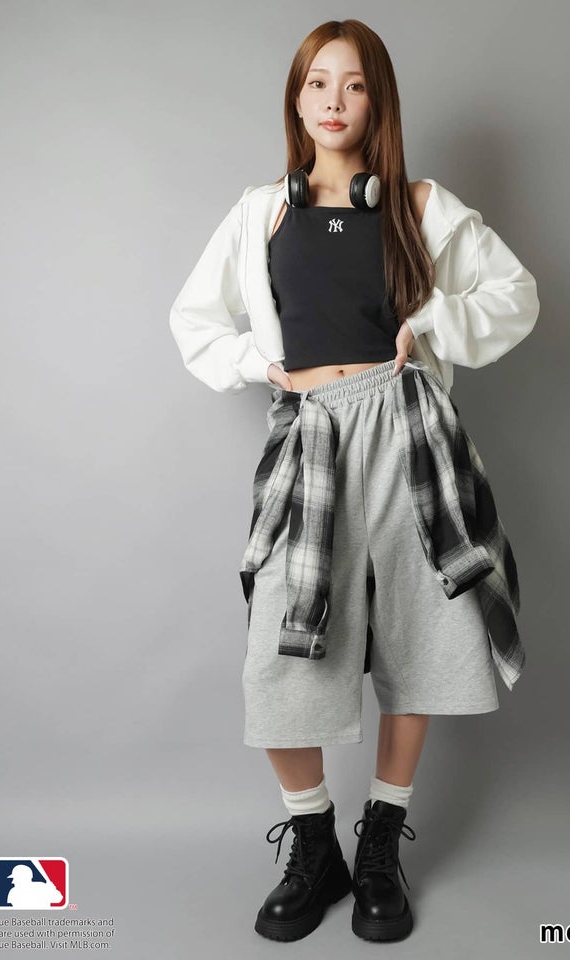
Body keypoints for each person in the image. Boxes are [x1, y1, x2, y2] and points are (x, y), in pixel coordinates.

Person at [169, 18, 539, 944]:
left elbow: (515, 295)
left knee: (419, 635)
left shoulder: (419, 205)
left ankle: (379, 841)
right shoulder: (262, 212)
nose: (334, 100)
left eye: (355, 84)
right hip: (314, 440)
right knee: (281, 649)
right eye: (317, 83)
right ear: (296, 102)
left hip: (407, 431)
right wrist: (261, 365)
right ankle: (314, 842)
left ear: (379, 102)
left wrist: (434, 323)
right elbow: (195, 319)